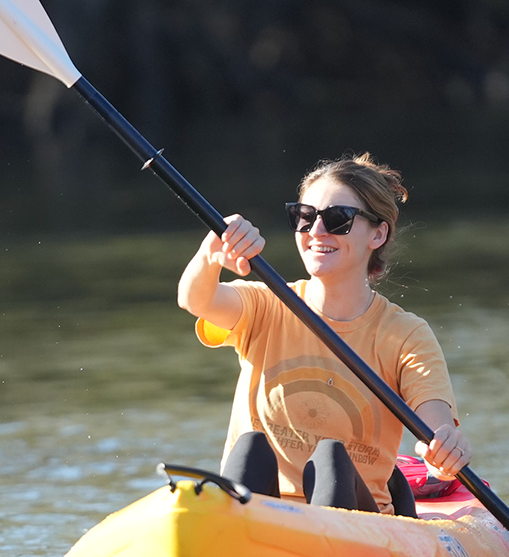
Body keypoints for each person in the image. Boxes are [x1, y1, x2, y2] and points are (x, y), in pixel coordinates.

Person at [176, 153, 471, 515]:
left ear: (377, 234)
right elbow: (195, 299)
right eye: (304, 217)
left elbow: (436, 425)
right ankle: (228, 531)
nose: (316, 232)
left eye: (337, 219)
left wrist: (442, 450)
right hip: (261, 520)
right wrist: (211, 254)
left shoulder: (406, 335)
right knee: (251, 448)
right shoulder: (266, 305)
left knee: (332, 457)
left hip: (359, 525)